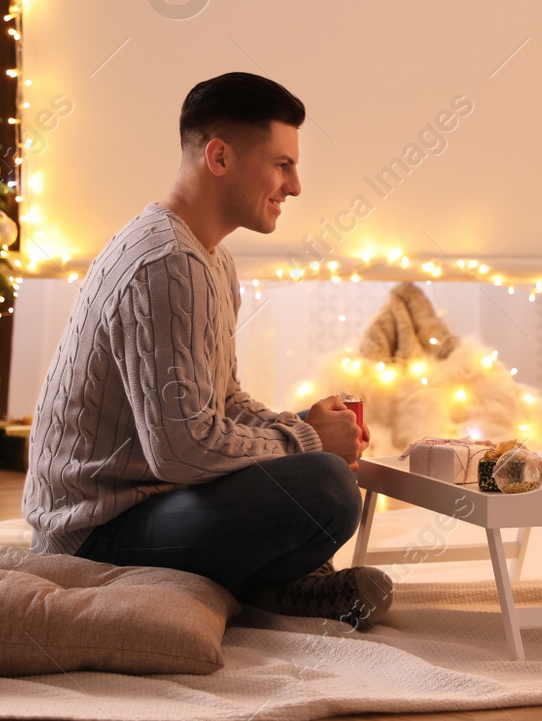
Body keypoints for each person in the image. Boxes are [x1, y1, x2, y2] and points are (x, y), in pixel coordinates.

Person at [23, 72, 393, 629]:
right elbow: (183, 449)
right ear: (218, 158)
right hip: (92, 534)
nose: (295, 187)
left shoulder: (209, 256)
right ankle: (277, 583)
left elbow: (221, 401)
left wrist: (299, 425)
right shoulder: (168, 264)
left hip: (152, 492)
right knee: (325, 486)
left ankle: (268, 581)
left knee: (312, 463)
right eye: (282, 165)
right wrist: (309, 439)